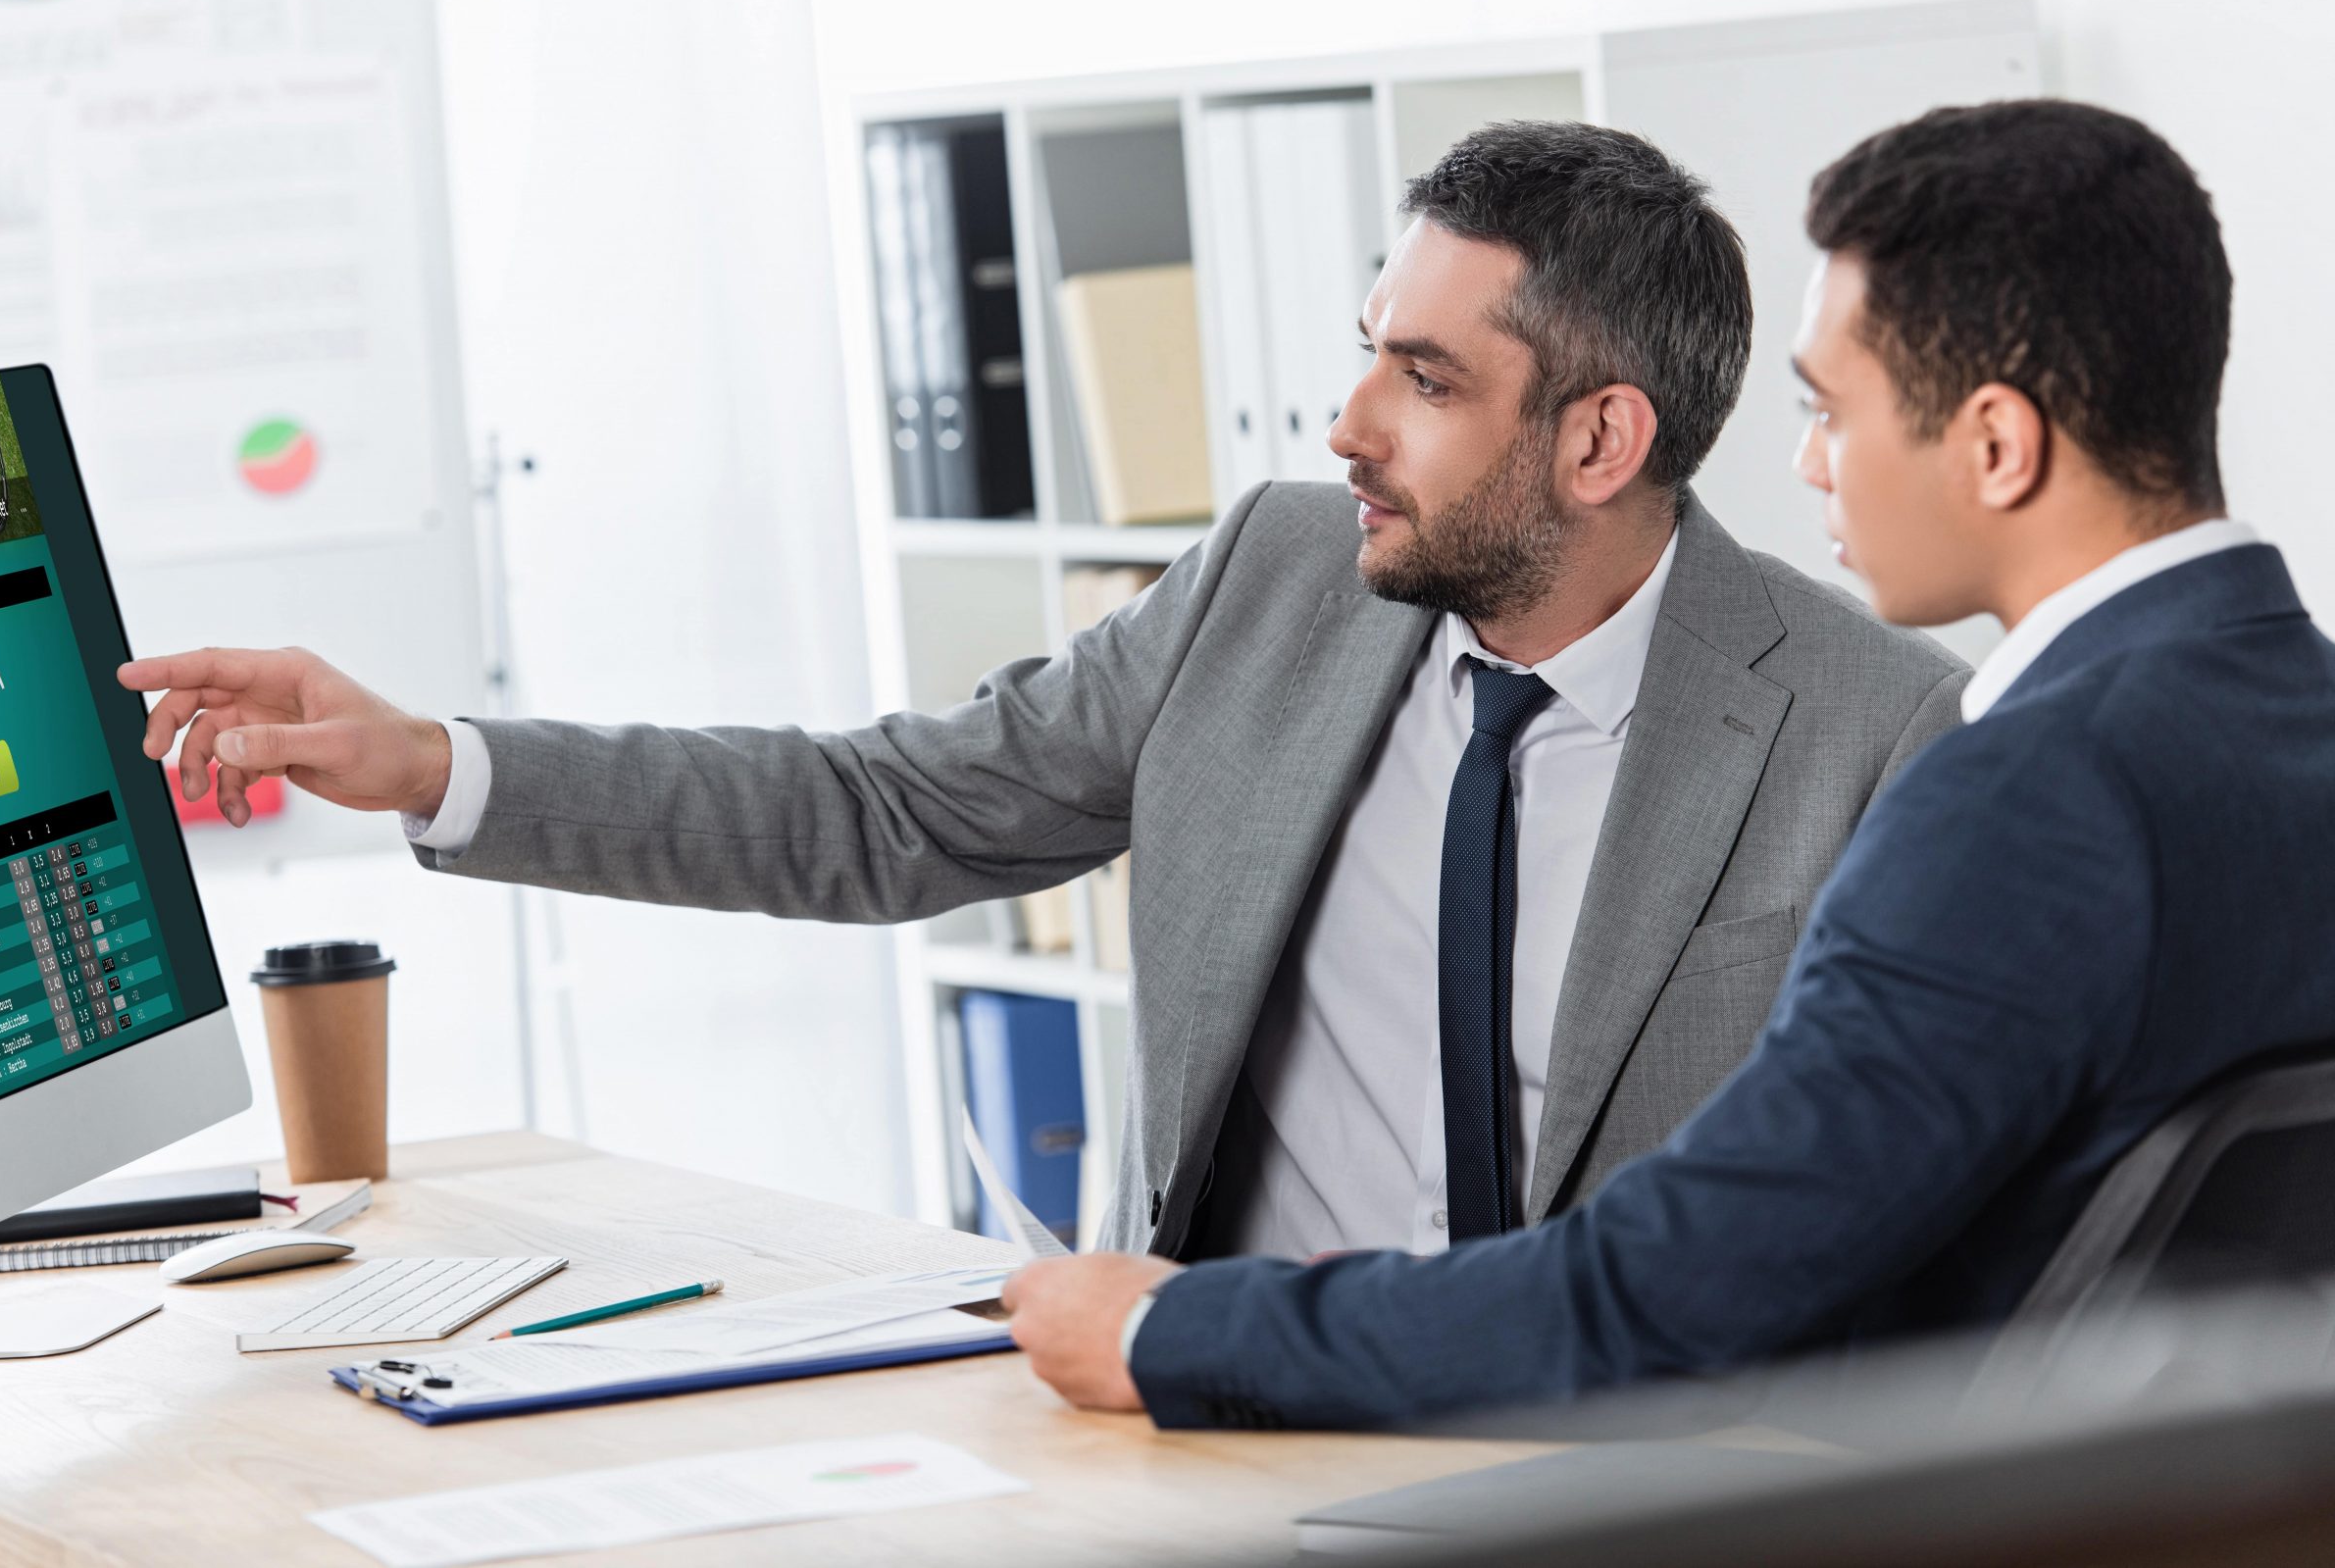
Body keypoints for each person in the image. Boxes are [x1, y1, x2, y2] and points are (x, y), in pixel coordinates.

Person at [119, 123, 1959, 1288]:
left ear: (1599, 437)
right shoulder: (1274, 579)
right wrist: (436, 761)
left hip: (1612, 1485)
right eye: (1364, 349)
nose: (1345, 427)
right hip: (1215, 1431)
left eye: (1423, 378)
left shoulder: (1872, 728)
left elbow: (1895, 1236)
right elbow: (888, 809)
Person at [998, 96, 2335, 1432]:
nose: (1807, 462)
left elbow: (1681, 1285)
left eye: (1829, 409)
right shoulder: (2288, 723)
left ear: (1995, 443)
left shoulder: (2020, 796)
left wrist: (1178, 1326)